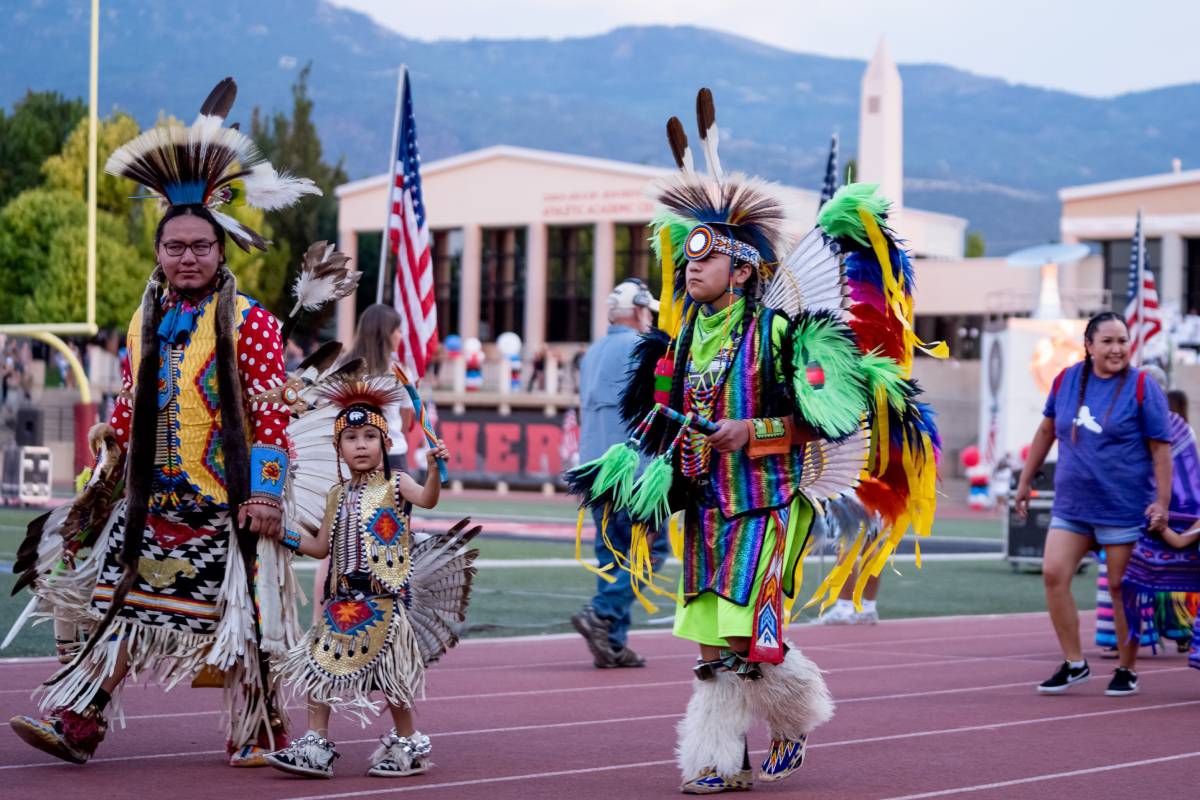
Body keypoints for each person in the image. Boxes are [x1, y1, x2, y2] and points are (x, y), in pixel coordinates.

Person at [567, 88, 940, 793]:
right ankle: (732, 756)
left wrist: (752, 431)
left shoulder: (781, 336)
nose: (690, 268)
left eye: (705, 258)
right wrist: (652, 462)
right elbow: (665, 419)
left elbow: (830, 417)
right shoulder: (678, 343)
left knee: (747, 638)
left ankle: (776, 726)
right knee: (712, 642)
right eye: (688, 258)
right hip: (706, 509)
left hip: (768, 506)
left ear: (741, 270)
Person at [8, 78, 320, 766]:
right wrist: (110, 456)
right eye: (175, 246)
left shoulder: (250, 323)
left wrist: (267, 494)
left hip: (230, 502)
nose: (188, 257)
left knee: (244, 618)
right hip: (150, 499)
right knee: (120, 606)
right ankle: (81, 722)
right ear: (159, 251)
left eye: (200, 246)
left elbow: (273, 413)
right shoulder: (143, 320)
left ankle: (259, 732)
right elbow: (130, 402)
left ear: (221, 249)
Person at [265, 373, 477, 779]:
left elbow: (428, 500)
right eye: (351, 438)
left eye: (368, 436)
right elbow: (321, 548)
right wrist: (283, 534)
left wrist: (434, 470)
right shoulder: (336, 495)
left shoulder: (398, 484)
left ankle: (407, 744)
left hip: (383, 603)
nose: (360, 444)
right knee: (318, 667)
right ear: (338, 448)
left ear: (386, 443)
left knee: (391, 678)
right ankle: (315, 746)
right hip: (341, 604)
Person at [1015, 312, 1171, 698]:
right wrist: (1025, 480)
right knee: (1054, 574)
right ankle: (1074, 663)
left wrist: (1162, 502)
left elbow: (1160, 449)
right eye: (1108, 341)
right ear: (1088, 345)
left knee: (1120, 588)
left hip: (1122, 508)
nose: (1117, 349)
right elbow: (1046, 430)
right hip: (1073, 506)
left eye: (1123, 341)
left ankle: (1127, 668)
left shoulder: (1142, 386)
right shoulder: (1066, 380)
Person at [570, 279, 670, 668]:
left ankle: (611, 642)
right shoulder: (643, 347)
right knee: (651, 551)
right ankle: (602, 612)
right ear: (640, 309)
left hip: (594, 469)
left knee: (611, 555)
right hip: (633, 468)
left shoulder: (592, 352)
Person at [311, 305, 415, 625]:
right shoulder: (399, 372)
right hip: (390, 457)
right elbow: (409, 421)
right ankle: (388, 619)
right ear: (387, 333)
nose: (401, 336)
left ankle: (319, 619)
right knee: (390, 540)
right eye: (398, 330)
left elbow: (323, 411)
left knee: (337, 541)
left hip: (347, 459)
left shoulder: (343, 366)